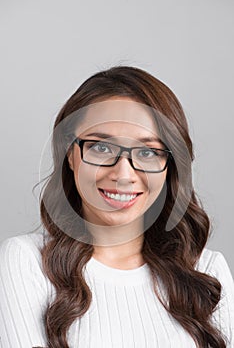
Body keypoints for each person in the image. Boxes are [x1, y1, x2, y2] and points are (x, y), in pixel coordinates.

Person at [0, 66, 233, 348]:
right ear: (70, 154)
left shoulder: (208, 272)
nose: (123, 175)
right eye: (101, 148)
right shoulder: (26, 262)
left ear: (170, 165)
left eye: (148, 152)